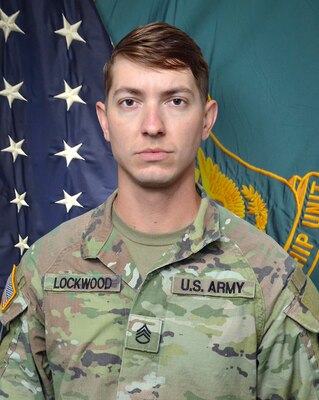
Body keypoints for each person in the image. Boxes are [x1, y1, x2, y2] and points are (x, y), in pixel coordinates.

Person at [0, 21, 319, 400]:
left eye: (176, 101)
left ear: (206, 119)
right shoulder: (46, 268)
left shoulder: (270, 279)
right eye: (130, 102)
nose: (152, 126)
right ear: (104, 120)